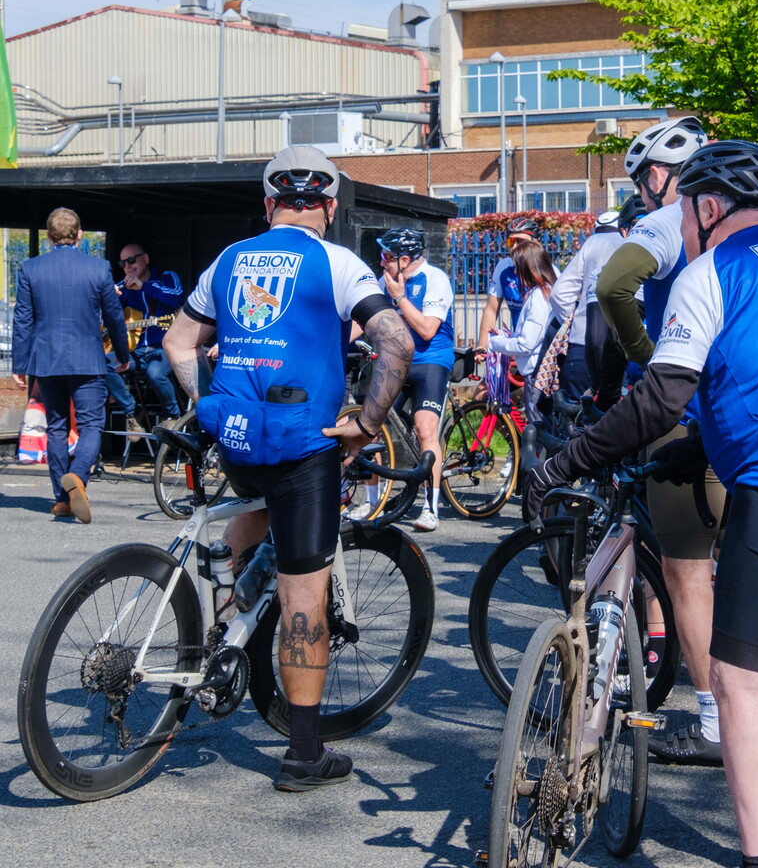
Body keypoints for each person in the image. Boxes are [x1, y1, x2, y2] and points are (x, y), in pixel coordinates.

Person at [527, 140, 758, 868]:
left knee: (739, 683)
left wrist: (563, 463)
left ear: (705, 208)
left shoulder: (712, 269)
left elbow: (661, 393)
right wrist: (695, 450)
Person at [164, 145, 413, 790]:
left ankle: (224, 630)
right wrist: (367, 421)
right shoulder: (336, 262)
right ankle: (304, 754)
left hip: (237, 435)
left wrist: (208, 401)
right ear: (329, 206)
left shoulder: (228, 259)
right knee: (306, 595)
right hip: (303, 445)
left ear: (268, 203)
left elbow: (178, 341)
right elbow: (397, 341)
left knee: (247, 515)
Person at [595, 115, 730, 763]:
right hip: (746, 405)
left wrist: (647, 357)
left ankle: (713, 720)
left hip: (680, 411)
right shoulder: (752, 227)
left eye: (641, 181)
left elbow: (612, 284)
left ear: (656, 175)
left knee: (687, 568)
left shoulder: (666, 219)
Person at [12, 207, 129, 523]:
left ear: (49, 237)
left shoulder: (31, 268)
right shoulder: (98, 268)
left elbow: (23, 318)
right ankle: (78, 475)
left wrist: (19, 364)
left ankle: (62, 500)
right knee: (91, 424)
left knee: (57, 425)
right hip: (87, 358)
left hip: (46, 360)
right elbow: (114, 316)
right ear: (79, 235)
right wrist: (122, 354)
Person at [355, 226, 454, 533]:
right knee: (370, 424)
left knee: (426, 428)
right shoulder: (385, 281)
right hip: (397, 361)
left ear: (405, 259)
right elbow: (365, 321)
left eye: (387, 255)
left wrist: (398, 297)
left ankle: (430, 507)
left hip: (430, 361)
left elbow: (426, 329)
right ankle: (372, 501)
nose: (381, 261)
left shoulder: (435, 279)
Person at [549, 206, 634, 409]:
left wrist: (574, 319)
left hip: (581, 346)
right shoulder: (632, 243)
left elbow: (559, 293)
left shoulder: (592, 243)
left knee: (577, 424)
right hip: (621, 351)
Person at [114, 243, 186, 421]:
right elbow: (103, 312)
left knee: (155, 374)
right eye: (122, 263)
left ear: (145, 259)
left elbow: (177, 297)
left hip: (163, 348)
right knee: (102, 365)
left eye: (131, 260)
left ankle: (173, 416)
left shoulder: (166, 277)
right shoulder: (122, 287)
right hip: (135, 351)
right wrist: (110, 297)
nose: (127, 266)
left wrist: (144, 286)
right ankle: (131, 411)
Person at [488, 239, 558, 421]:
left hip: (536, 373)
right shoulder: (548, 291)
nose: (517, 273)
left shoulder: (538, 297)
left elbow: (526, 345)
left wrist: (494, 343)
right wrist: (508, 337)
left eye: (519, 267)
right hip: (544, 369)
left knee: (539, 427)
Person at [476, 217, 538, 355]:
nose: (515, 247)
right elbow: (491, 310)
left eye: (521, 242)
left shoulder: (549, 272)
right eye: (511, 242)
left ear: (536, 243)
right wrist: (482, 346)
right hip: (517, 344)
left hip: (542, 347)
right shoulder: (504, 267)